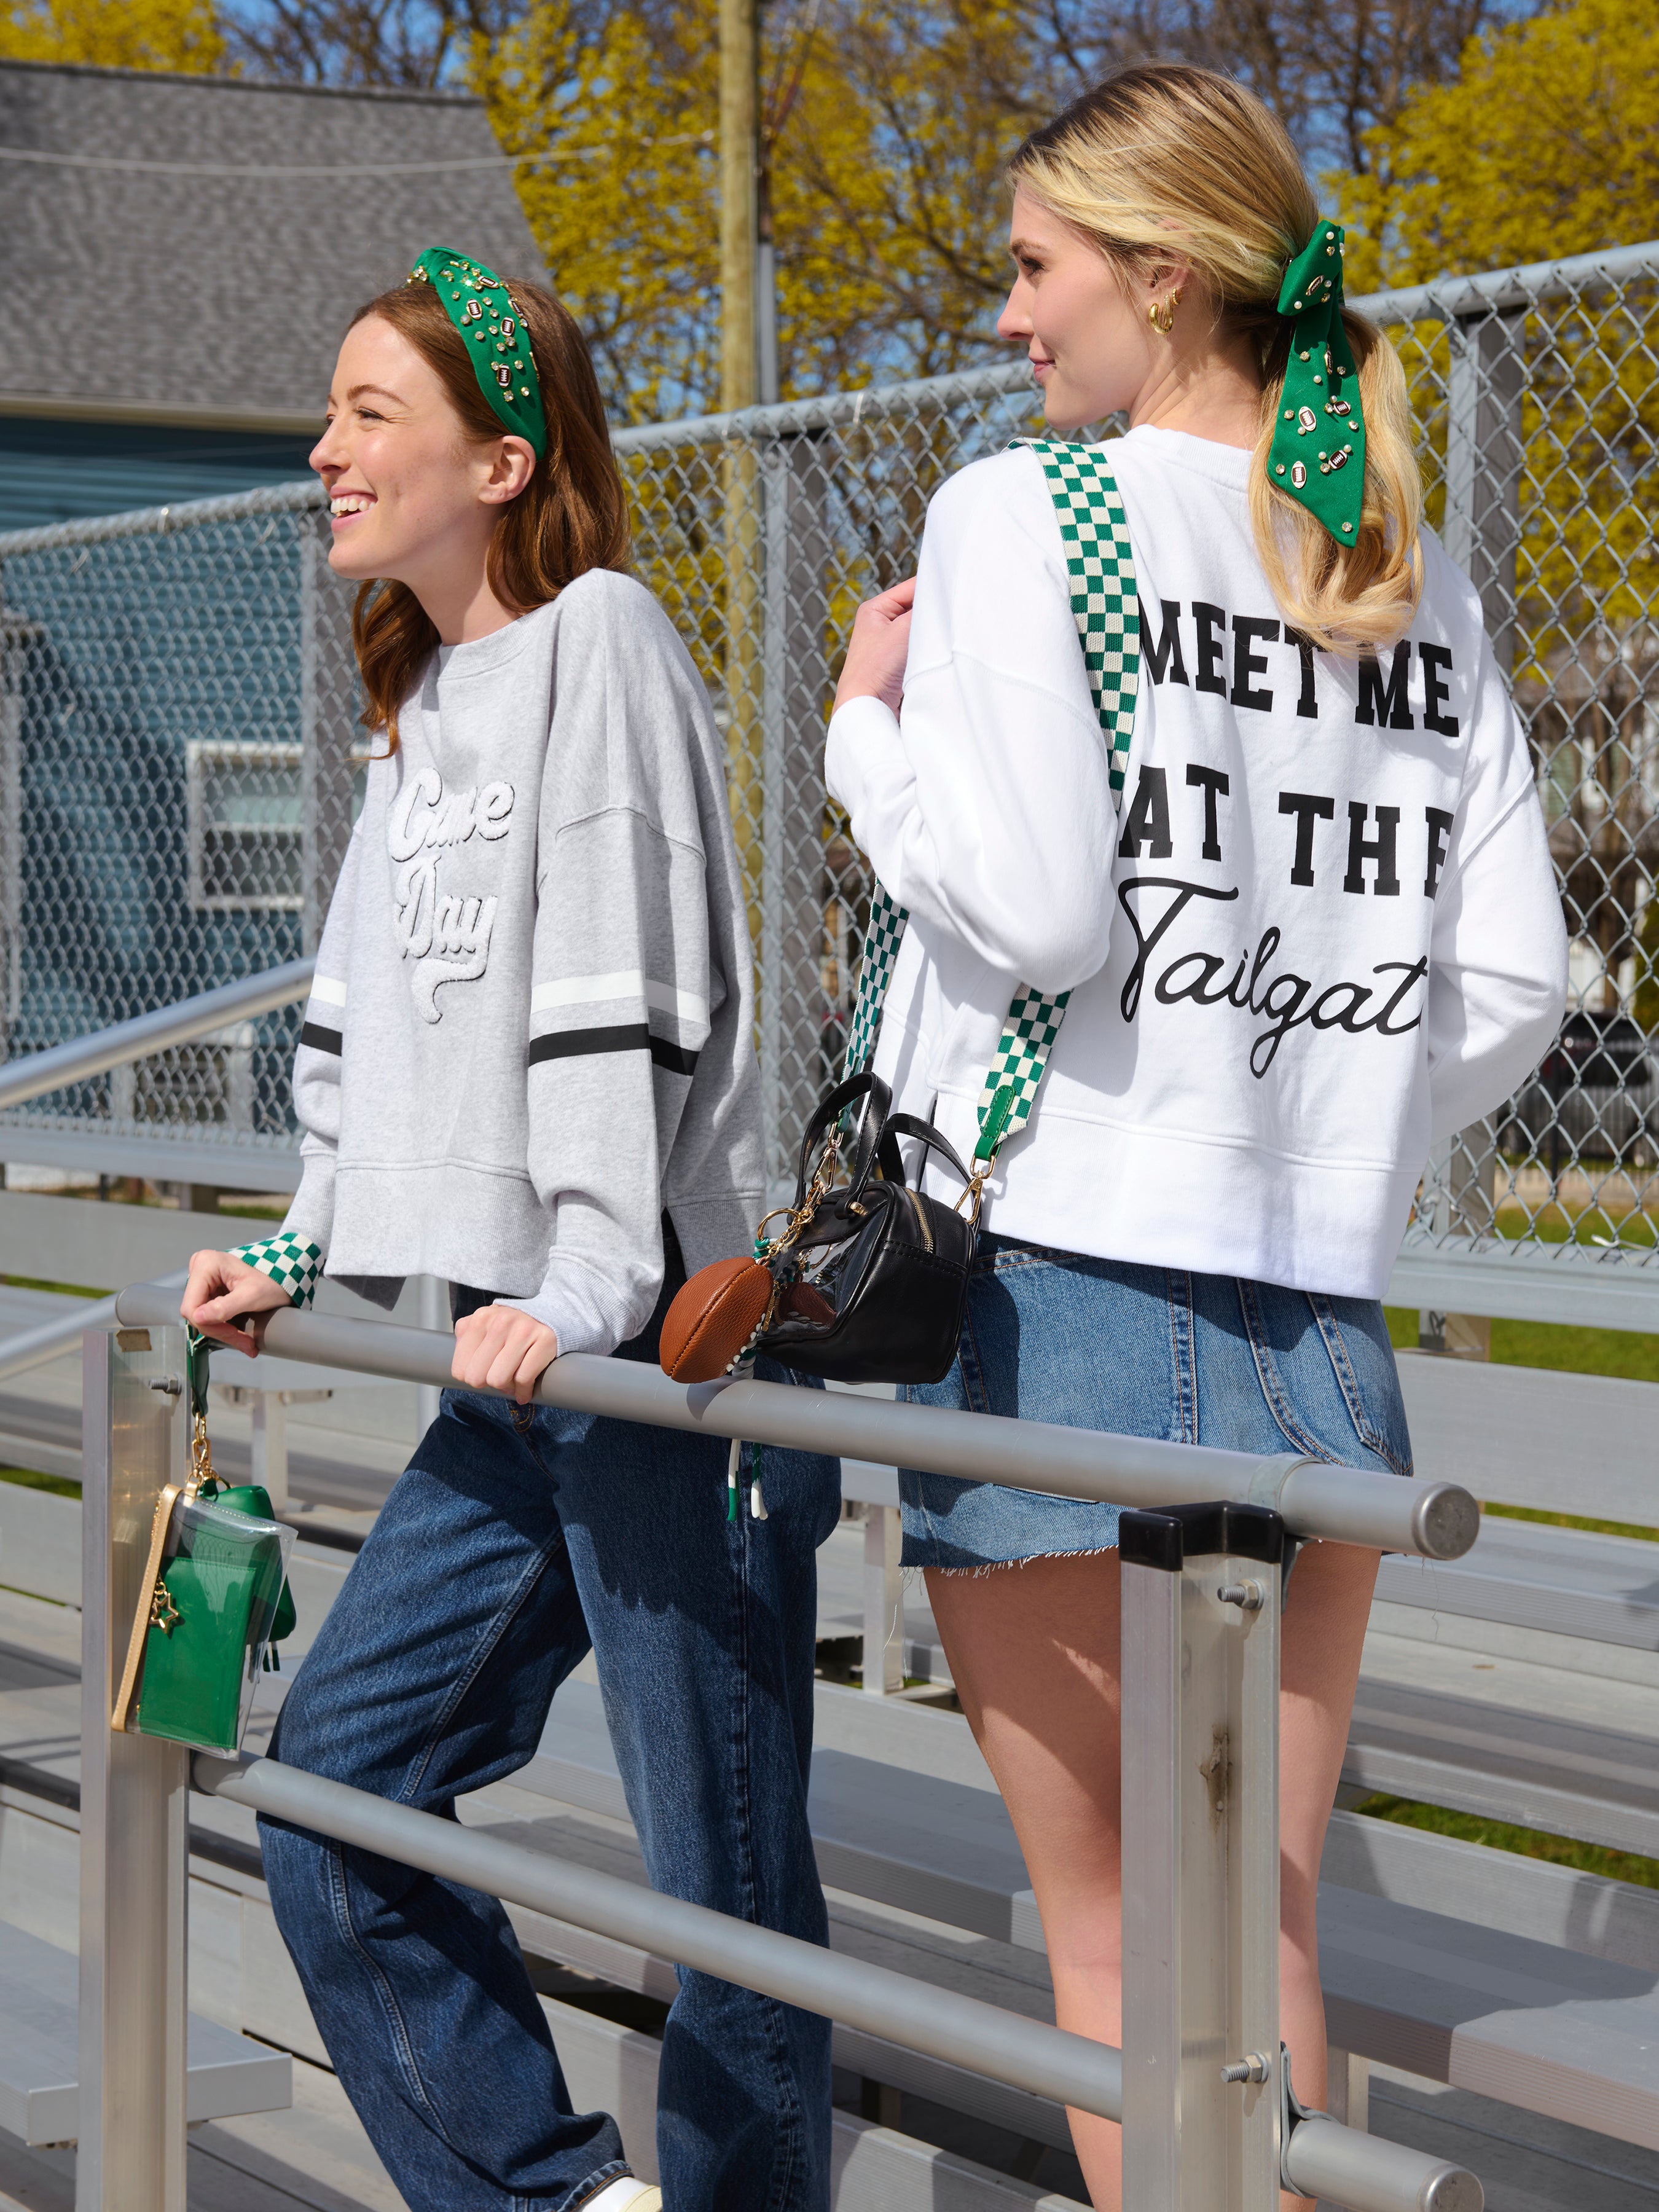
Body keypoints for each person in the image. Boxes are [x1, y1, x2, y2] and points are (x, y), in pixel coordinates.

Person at [825, 63, 1566, 2212]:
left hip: (1055, 1292)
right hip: (1316, 1322)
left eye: (1035, 270)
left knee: (1112, 1943)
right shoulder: (1397, 569)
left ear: (1159, 277)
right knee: (1260, 1938)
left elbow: (1043, 908)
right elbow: (1509, 983)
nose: (1005, 320)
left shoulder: (1022, 516)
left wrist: (866, 750)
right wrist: (1312, 1116)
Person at [181, 250, 839, 2212]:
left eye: (369, 412)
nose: (325, 451)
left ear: (500, 453)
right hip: (523, 1349)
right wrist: (302, 1249)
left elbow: (618, 999)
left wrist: (577, 1282)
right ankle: (558, 2198)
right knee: (330, 1789)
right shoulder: (422, 705)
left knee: (724, 1896)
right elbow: (374, 1038)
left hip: (649, 1352)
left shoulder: (602, 638)